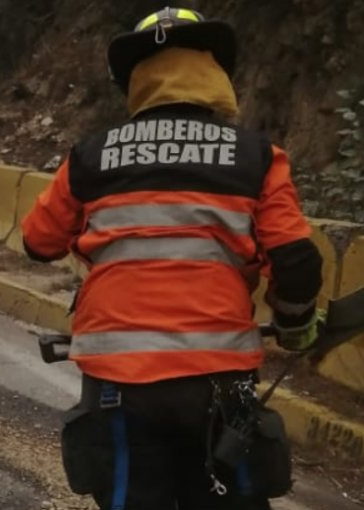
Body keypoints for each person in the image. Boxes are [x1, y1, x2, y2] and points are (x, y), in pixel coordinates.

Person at [22, 8, 324, 509]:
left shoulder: (91, 157)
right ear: (214, 74)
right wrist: (296, 325)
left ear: (137, 80)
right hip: (220, 382)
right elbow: (296, 262)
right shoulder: (255, 157)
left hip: (120, 382)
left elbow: (37, 242)